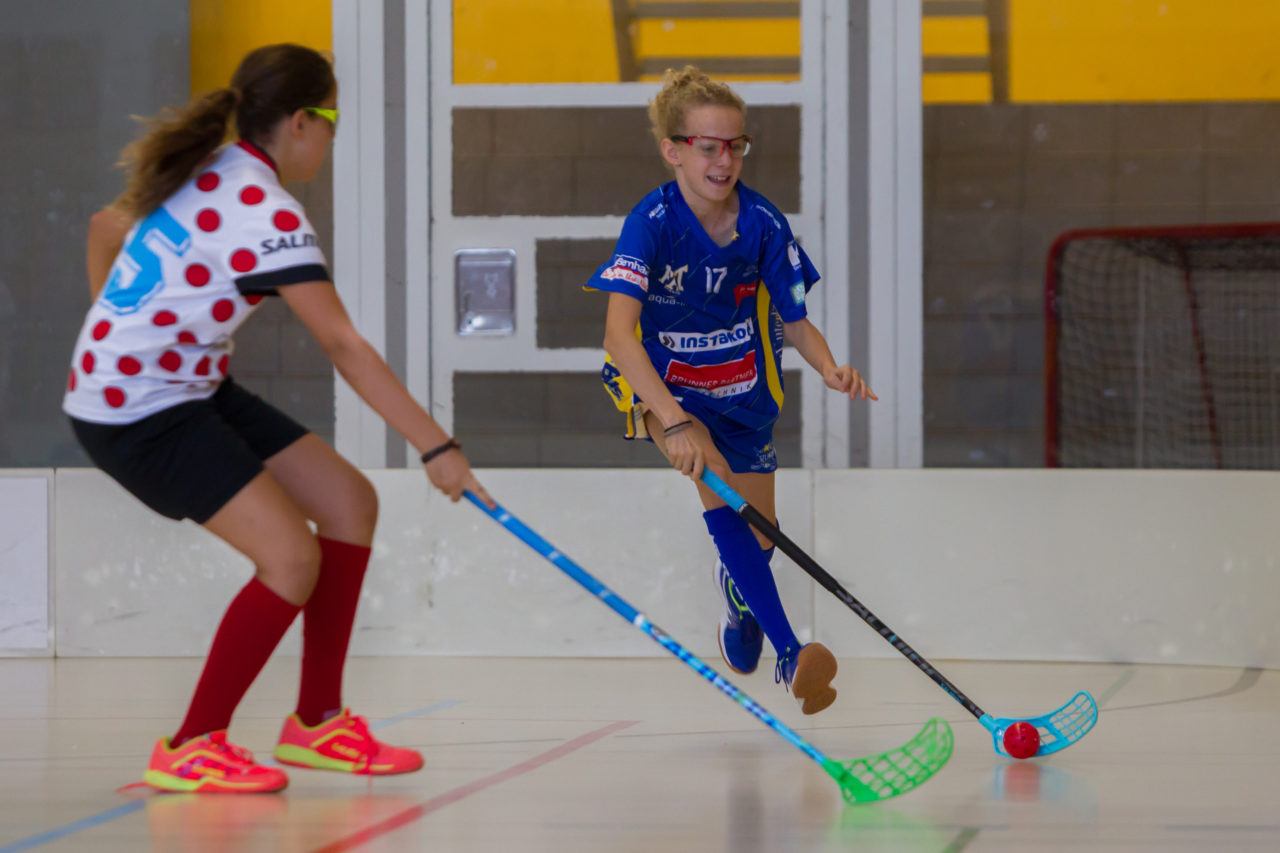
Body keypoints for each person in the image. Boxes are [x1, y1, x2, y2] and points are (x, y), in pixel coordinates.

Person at [64, 43, 493, 793]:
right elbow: (342, 343)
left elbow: (105, 227)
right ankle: (191, 744)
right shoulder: (263, 207)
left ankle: (317, 723)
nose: (331, 139)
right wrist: (438, 447)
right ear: (300, 122)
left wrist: (115, 330)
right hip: (136, 410)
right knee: (292, 560)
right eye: (331, 122)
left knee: (348, 504)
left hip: (182, 383)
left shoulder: (214, 164)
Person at [588, 67, 877, 715]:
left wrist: (830, 367)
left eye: (735, 145)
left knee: (762, 535)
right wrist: (673, 419)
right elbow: (618, 335)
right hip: (662, 387)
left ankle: (739, 595)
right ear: (674, 150)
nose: (724, 159)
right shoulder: (650, 223)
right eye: (708, 146)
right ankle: (790, 652)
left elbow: (796, 317)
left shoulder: (767, 225)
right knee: (712, 474)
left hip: (742, 388)